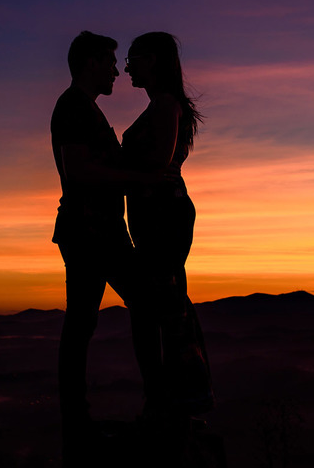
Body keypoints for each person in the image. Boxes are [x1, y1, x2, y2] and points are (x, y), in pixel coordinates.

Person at [50, 31, 161, 443]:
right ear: (92, 62)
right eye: (111, 63)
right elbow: (78, 171)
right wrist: (138, 177)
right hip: (90, 230)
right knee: (137, 306)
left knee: (84, 322)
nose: (117, 71)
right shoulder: (73, 107)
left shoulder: (82, 108)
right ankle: (151, 404)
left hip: (95, 229)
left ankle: (78, 417)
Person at [122, 32, 213, 417]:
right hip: (159, 213)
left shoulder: (163, 105)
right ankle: (179, 395)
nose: (127, 68)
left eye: (134, 59)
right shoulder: (162, 105)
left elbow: (157, 165)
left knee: (166, 305)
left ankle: (182, 398)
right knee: (164, 303)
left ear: (154, 61)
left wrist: (110, 169)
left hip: (163, 213)